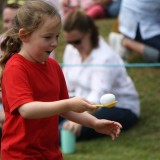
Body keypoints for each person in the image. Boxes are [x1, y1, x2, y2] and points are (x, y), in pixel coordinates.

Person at [0, 1, 122, 159]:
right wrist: (69, 103)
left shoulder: (53, 66)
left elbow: (65, 109)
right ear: (24, 35)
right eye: (47, 37)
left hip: (51, 153)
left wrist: (94, 123)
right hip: (19, 155)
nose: (55, 43)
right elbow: (26, 110)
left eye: (56, 36)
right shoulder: (16, 68)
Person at [61, 9, 140, 140]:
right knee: (50, 115)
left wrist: (77, 118)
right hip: (84, 101)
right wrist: (63, 106)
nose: (73, 46)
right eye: (70, 42)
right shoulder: (71, 50)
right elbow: (66, 85)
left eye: (77, 41)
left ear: (89, 32)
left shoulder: (105, 57)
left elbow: (98, 95)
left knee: (72, 128)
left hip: (118, 107)